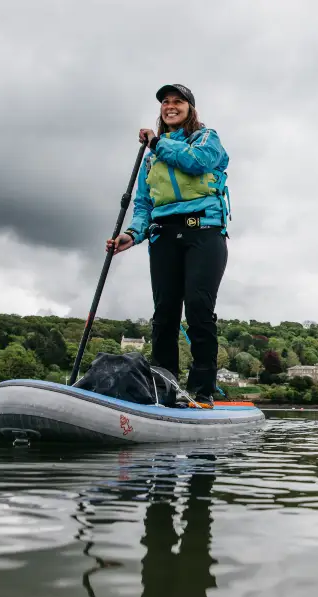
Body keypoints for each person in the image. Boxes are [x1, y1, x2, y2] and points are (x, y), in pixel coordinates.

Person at [107, 83, 231, 408]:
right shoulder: (151, 160)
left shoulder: (206, 139)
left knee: (199, 309)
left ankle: (202, 392)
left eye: (178, 101)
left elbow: (197, 163)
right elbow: (144, 205)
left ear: (190, 108)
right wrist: (131, 235)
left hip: (203, 233)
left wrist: (157, 143)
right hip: (163, 236)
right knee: (164, 316)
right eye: (165, 102)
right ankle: (164, 389)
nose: (170, 106)